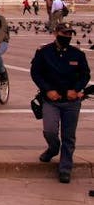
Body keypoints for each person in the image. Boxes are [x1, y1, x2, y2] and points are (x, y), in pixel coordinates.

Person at [31, 23, 91, 184]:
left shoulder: (77, 54)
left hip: (71, 101)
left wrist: (76, 89)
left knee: (68, 136)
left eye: (70, 34)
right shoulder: (44, 52)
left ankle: (65, 168)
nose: (67, 37)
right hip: (51, 100)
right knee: (50, 131)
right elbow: (35, 73)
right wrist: (47, 90)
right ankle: (52, 149)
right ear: (56, 33)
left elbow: (85, 75)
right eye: (64, 34)